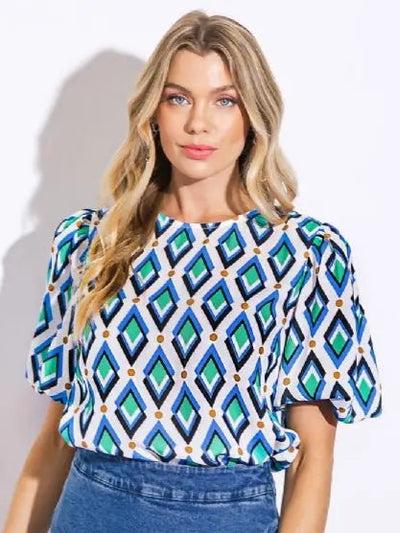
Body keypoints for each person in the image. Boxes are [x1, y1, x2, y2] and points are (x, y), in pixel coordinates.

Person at [4, 9, 383, 533]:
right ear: (153, 113)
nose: (198, 123)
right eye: (178, 98)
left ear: (253, 114)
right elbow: (54, 439)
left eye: (224, 100)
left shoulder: (306, 254)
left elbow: (312, 458)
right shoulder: (90, 242)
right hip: (90, 511)